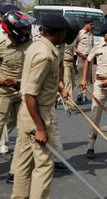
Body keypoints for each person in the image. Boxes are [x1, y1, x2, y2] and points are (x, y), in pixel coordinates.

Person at [11, 13, 79, 199]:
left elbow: (40, 82)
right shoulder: (45, 56)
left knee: (23, 165)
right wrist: (40, 128)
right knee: (44, 166)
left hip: (27, 114)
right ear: (58, 34)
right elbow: (30, 94)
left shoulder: (37, 46)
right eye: (64, 33)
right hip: (37, 115)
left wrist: (59, 87)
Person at [80, 22, 107, 159]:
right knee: (95, 115)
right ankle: (91, 146)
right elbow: (88, 61)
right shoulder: (97, 47)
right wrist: (84, 79)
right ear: (103, 35)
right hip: (99, 85)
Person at [0, 10, 33, 183]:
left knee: (24, 130)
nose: (28, 32)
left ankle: (16, 171)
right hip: (3, 92)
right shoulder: (1, 44)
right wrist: (2, 80)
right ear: (13, 30)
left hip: (23, 92)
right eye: (24, 29)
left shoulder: (30, 44)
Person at [74, 18, 94, 103]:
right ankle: (79, 95)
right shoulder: (80, 33)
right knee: (80, 78)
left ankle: (84, 95)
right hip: (81, 59)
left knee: (86, 78)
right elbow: (73, 46)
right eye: (91, 24)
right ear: (86, 24)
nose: (92, 26)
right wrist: (80, 53)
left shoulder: (91, 35)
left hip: (89, 59)